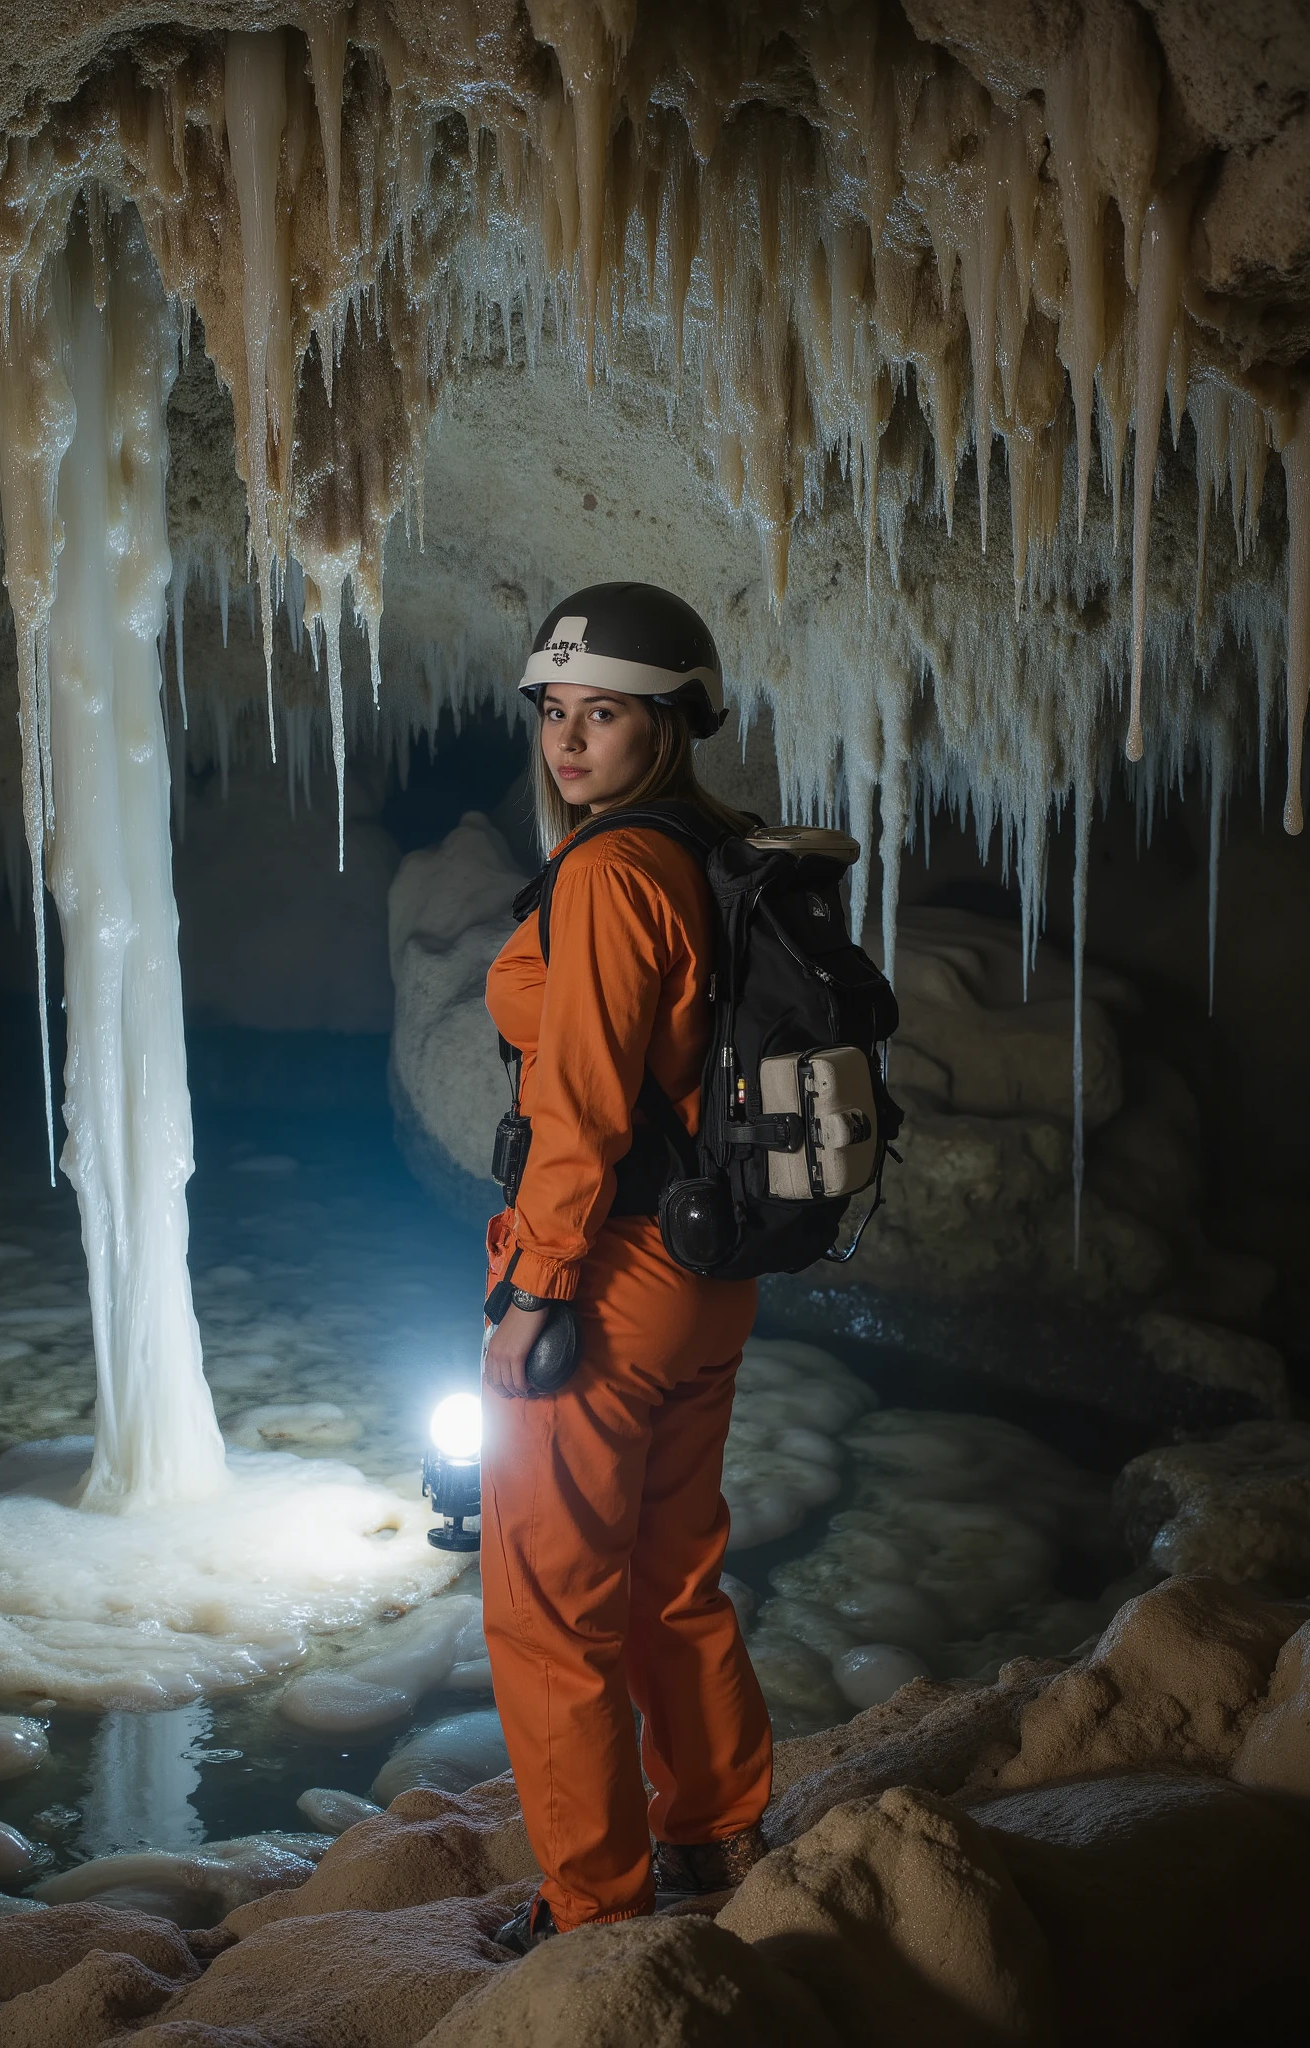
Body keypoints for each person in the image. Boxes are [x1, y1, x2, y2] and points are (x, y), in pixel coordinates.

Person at [479, 581, 771, 1951]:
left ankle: (594, 1907)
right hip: (714, 1273)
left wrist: (533, 1292)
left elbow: (582, 1108)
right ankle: (717, 1833)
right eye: (557, 714)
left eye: (606, 715)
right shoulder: (717, 857)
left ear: (672, 724)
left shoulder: (608, 873)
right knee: (670, 1574)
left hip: (613, 1276)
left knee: (549, 1610)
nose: (571, 741)